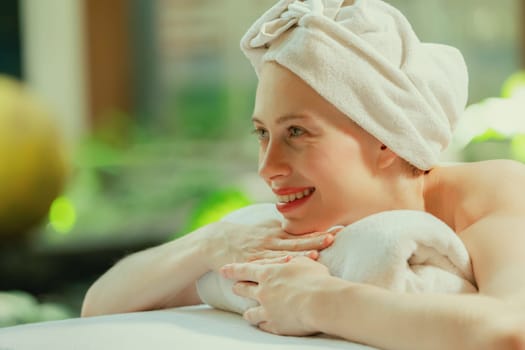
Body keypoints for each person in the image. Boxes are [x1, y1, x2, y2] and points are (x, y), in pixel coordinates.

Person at [82, 0, 525, 349]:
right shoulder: (318, 231)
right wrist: (212, 243)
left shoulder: (496, 192)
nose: (267, 167)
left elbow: (512, 332)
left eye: (297, 132)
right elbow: (99, 308)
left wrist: (318, 303)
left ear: (388, 138)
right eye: (262, 133)